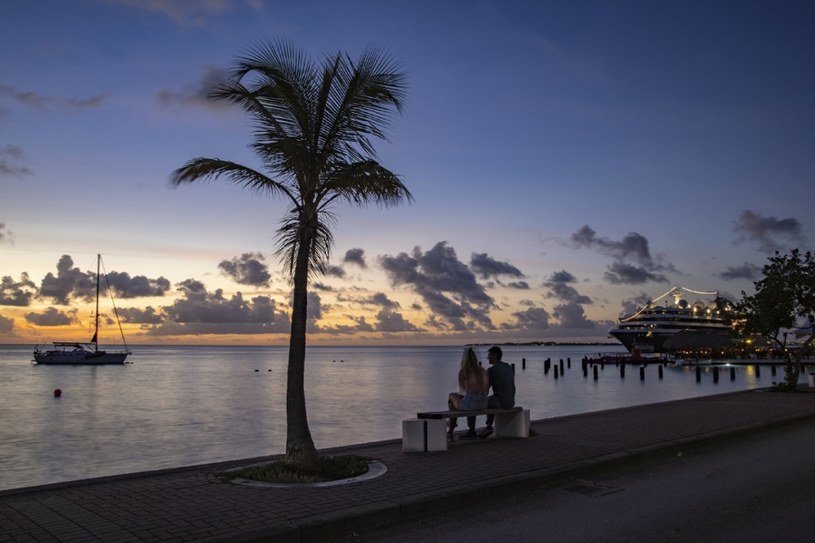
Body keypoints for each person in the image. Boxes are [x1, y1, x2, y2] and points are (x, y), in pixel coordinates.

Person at [447, 347, 490, 441]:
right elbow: (487, 390)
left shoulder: (464, 371)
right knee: (467, 399)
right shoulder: (483, 370)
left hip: (471, 403)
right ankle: (471, 430)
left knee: (451, 397)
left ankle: (451, 430)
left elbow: (462, 391)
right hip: (484, 403)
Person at [475, 346, 516, 438]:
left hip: (501, 402)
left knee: (483, 402)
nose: (487, 358)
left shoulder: (492, 370)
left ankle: (485, 427)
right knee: (491, 399)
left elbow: (485, 390)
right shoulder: (508, 367)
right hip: (511, 401)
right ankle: (488, 426)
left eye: (489, 355)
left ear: (495, 355)